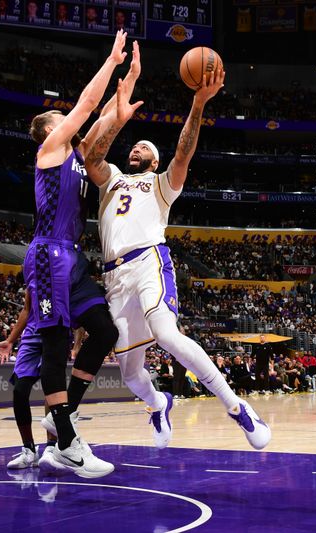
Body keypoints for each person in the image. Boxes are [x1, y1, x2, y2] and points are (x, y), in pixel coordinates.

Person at [83, 51, 270, 451]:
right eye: (133, 146)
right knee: (131, 373)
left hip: (149, 260)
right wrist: (118, 119)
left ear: (154, 160)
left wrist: (198, 103)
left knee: (167, 334)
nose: (135, 149)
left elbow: (184, 151)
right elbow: (92, 156)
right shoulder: (112, 179)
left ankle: (236, 406)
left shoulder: (162, 185)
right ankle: (157, 403)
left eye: (143, 147)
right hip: (114, 276)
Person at [22, 31, 129, 478]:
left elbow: (101, 118)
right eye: (62, 119)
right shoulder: (49, 150)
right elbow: (87, 106)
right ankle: (65, 440)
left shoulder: (78, 155)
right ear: (50, 130)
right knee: (55, 343)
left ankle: (63, 416)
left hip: (74, 258)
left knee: (104, 333)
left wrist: (127, 84)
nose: (70, 122)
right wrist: (110, 61)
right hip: (47, 255)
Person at [0, 291, 65, 473]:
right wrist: (10, 340)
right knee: (19, 390)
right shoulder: (33, 273)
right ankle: (29, 450)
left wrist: (77, 344)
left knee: (51, 389)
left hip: (55, 332)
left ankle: (51, 447)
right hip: (31, 335)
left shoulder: (64, 268)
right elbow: (26, 309)